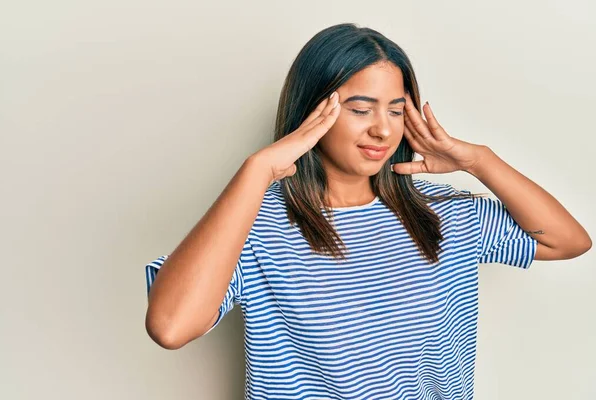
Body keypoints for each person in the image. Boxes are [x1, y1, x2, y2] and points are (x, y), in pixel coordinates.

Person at [143, 23, 591, 400]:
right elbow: (170, 326)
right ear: (312, 112)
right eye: (360, 109)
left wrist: (479, 161)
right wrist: (257, 170)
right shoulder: (252, 226)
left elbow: (569, 240)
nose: (382, 128)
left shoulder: (446, 215)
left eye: (396, 111)